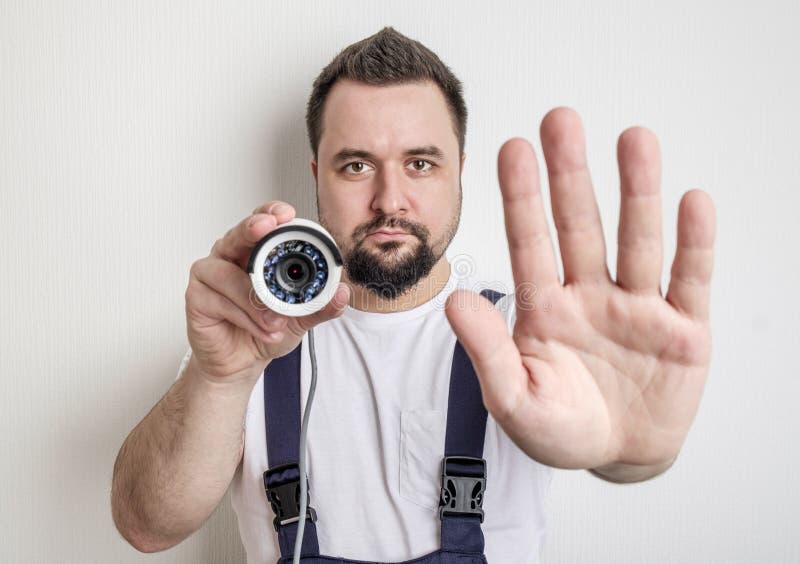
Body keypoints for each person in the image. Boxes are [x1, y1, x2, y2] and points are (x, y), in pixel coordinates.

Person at [111, 26, 716, 563]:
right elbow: (145, 526)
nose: (390, 200)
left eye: (421, 163)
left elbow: (606, 439)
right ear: (317, 174)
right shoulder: (251, 338)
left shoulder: (530, 333)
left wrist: (626, 453)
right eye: (356, 165)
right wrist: (219, 379)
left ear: (460, 172)